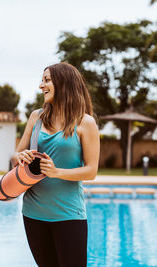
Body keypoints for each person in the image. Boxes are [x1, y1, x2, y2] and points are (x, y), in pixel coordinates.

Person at [12, 62, 100, 267]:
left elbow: (91, 170)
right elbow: (16, 155)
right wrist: (20, 156)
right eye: (42, 80)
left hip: (69, 214)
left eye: (47, 80)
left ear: (64, 82)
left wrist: (56, 171)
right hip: (33, 213)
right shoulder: (36, 117)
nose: (41, 85)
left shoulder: (85, 122)